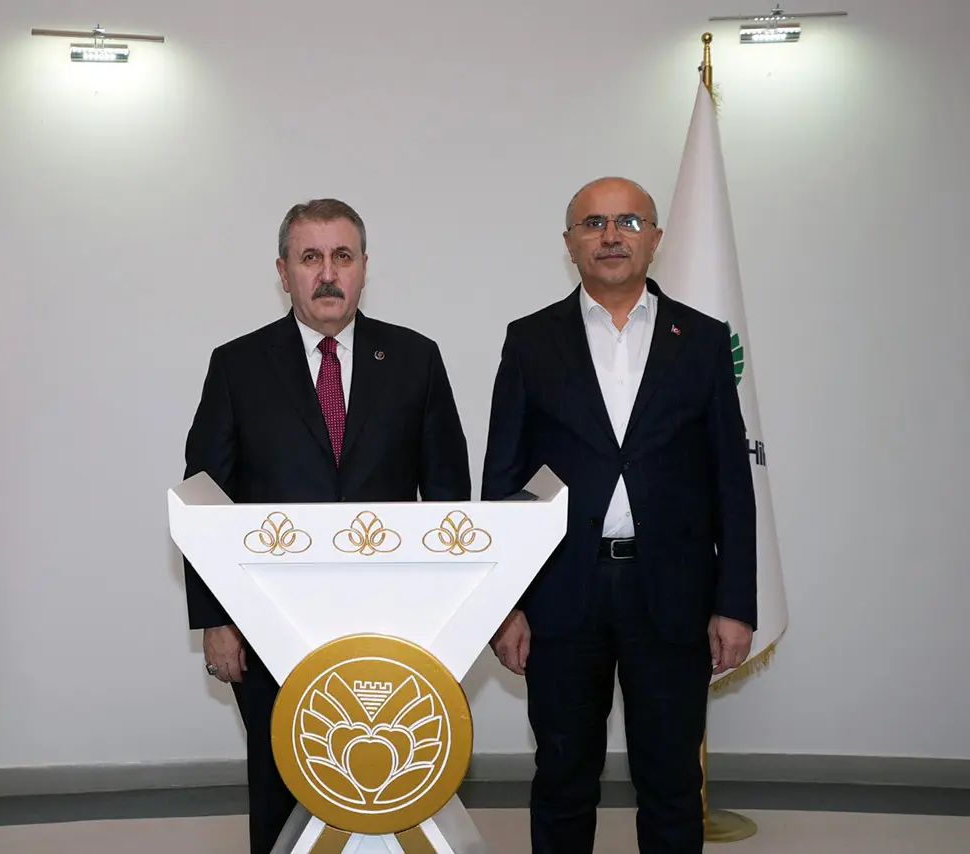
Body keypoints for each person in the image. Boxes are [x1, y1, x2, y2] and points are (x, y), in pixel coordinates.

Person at [181, 198, 472, 854]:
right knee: (281, 782)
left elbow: (449, 498)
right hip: (267, 622)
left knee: (391, 786)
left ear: (365, 266)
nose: (328, 273)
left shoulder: (416, 359)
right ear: (283, 271)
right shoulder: (238, 365)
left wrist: (455, 617)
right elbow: (204, 500)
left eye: (342, 255)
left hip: (394, 624)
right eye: (310, 257)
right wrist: (215, 620)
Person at [481, 177, 757, 854]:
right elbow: (503, 482)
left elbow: (731, 480)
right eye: (594, 223)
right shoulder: (530, 340)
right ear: (570, 242)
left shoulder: (702, 340)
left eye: (629, 222)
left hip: (673, 594)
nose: (611, 236)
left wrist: (735, 603)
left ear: (655, 239)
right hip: (560, 596)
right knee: (562, 779)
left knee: (671, 782)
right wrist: (504, 604)